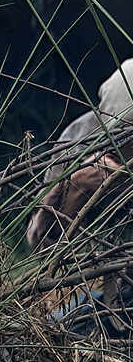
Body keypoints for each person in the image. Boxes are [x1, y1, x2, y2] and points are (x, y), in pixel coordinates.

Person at [26, 57, 133, 335]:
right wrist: (76, 190)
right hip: (104, 299)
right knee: (47, 335)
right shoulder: (79, 141)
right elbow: (43, 247)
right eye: (124, 138)